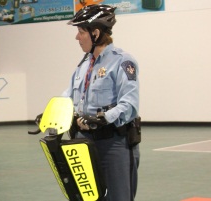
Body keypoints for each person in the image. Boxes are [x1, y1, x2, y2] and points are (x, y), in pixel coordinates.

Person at [63, 4, 140, 201]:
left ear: (95, 33)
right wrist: (51, 112)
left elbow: (129, 104)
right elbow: (68, 95)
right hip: (83, 143)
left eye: (81, 32)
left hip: (113, 143)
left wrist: (103, 118)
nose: (77, 37)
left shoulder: (122, 61)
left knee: (118, 197)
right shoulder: (84, 64)